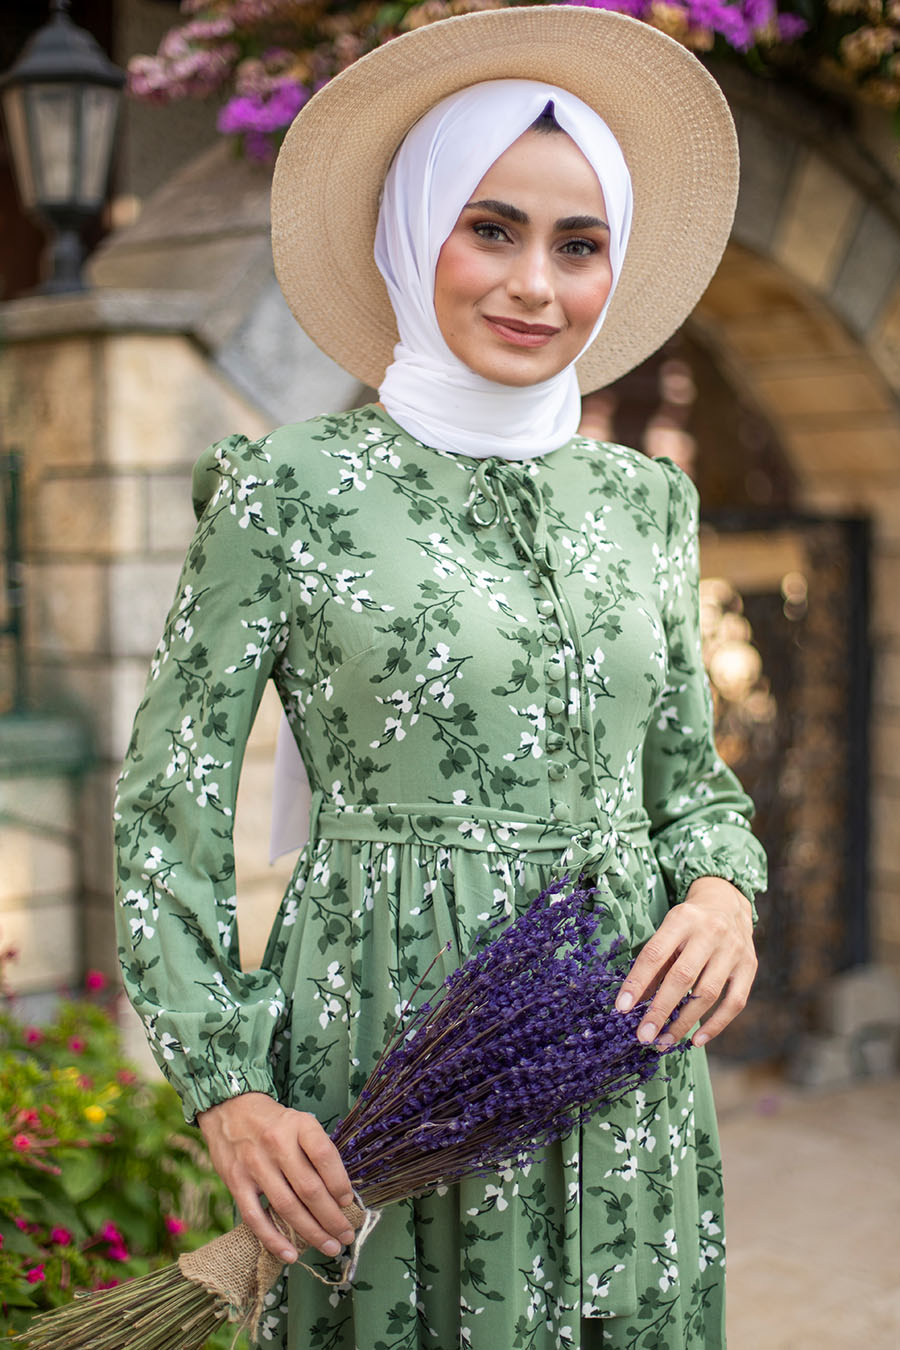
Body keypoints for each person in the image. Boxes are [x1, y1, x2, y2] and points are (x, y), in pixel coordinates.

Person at [114, 7, 767, 1347]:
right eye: (492, 228)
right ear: (416, 233)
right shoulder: (289, 486)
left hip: (614, 1071)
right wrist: (229, 1081)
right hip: (381, 1056)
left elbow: (690, 784)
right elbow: (165, 809)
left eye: (578, 244)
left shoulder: (644, 501)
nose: (537, 283)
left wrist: (723, 894)